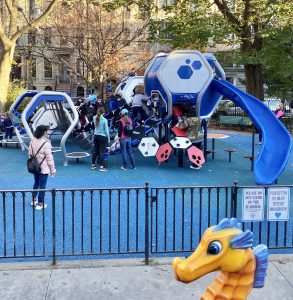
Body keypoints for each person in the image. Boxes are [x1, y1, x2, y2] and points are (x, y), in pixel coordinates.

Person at [28, 125, 56, 210]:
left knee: (36, 182)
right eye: (46, 131)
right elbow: (49, 158)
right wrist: (52, 169)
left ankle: (33, 199)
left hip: (35, 166)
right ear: (43, 132)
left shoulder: (32, 141)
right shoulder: (46, 143)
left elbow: (29, 154)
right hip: (43, 168)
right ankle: (40, 204)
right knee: (42, 185)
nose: (47, 132)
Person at [91, 107, 110, 171]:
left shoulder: (94, 118)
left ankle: (93, 165)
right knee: (102, 152)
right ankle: (102, 167)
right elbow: (106, 130)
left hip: (96, 135)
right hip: (102, 136)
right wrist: (108, 137)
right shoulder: (105, 120)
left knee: (95, 151)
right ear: (103, 113)